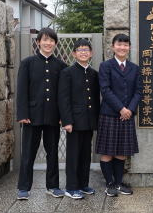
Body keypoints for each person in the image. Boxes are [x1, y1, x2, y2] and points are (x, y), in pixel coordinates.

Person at [16, 27, 67, 200]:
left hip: (53, 116)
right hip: (31, 115)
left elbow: (63, 94)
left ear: (55, 43)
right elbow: (22, 90)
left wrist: (63, 115)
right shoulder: (27, 63)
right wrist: (22, 113)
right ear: (38, 42)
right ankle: (23, 187)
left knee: (52, 152)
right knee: (28, 152)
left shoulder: (61, 66)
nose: (48, 43)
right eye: (44, 40)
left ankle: (52, 186)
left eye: (51, 40)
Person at [95, 34, 141, 197]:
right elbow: (105, 90)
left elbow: (138, 91)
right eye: (119, 44)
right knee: (107, 151)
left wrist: (130, 109)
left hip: (127, 115)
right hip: (109, 114)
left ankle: (119, 182)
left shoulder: (134, 68)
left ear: (129, 47)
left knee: (121, 151)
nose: (122, 47)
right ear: (113, 47)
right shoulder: (105, 66)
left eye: (125, 45)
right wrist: (121, 108)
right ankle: (109, 184)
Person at [58, 39, 100, 199]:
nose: (83, 52)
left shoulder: (94, 73)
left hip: (89, 121)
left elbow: (95, 98)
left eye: (86, 50)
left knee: (85, 154)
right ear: (74, 53)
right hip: (74, 121)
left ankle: (83, 184)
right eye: (80, 50)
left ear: (91, 53)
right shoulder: (67, 72)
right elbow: (63, 99)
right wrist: (67, 121)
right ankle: (71, 187)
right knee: (74, 154)